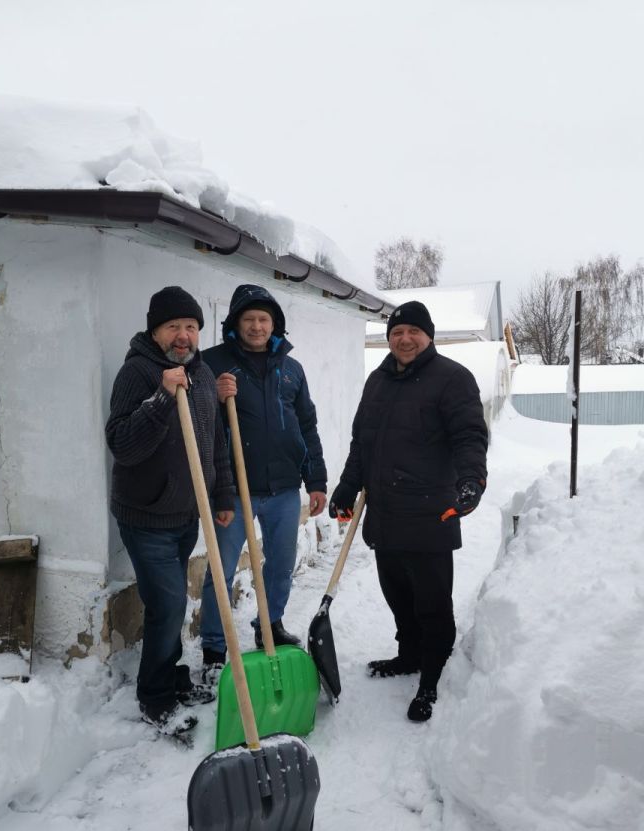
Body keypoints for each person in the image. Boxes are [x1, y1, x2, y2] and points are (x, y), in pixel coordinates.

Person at [329, 301, 488, 723]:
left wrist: (472, 479)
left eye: (414, 331)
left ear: (428, 335)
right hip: (385, 513)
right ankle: (410, 655)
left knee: (432, 603)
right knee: (398, 595)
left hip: (430, 512)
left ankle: (432, 677)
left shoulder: (452, 379)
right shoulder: (377, 381)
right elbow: (361, 442)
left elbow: (470, 436)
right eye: (397, 332)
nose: (405, 339)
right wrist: (347, 487)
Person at [105, 286, 235, 739]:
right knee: (169, 604)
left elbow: (213, 442)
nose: (183, 336)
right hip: (146, 515)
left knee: (170, 605)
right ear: (154, 329)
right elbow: (123, 445)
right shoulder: (138, 373)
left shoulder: (200, 373)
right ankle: (155, 695)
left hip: (186, 514)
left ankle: (171, 676)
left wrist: (222, 497)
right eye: (174, 327)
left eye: (191, 327)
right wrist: (161, 399)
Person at [198, 284, 327, 677]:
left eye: (264, 319)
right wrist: (213, 398)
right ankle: (214, 649)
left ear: (275, 325)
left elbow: (307, 425)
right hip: (232, 491)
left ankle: (269, 626)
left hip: (285, 489)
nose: (257, 326)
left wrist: (316, 480)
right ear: (236, 322)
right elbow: (191, 422)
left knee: (280, 565)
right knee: (220, 570)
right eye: (249, 319)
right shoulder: (210, 363)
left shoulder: (292, 369)